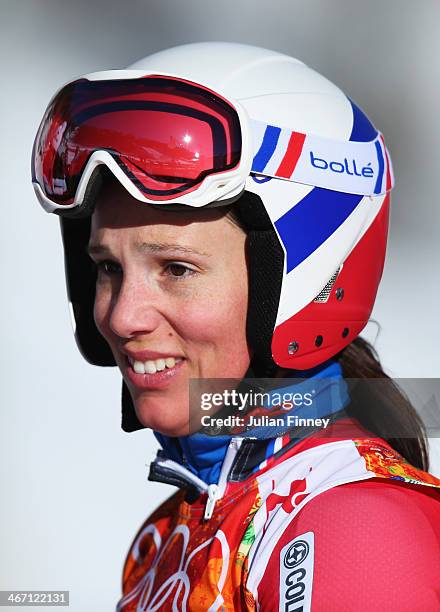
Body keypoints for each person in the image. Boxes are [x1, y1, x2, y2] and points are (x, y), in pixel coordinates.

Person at [32, 42, 440, 611]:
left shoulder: (352, 527)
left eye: (176, 269)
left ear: (306, 279)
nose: (123, 316)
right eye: (107, 269)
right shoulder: (172, 536)